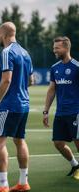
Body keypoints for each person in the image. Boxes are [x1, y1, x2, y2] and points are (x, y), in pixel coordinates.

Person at [0, 22, 34, 192]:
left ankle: (3, 184)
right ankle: (23, 182)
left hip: (9, 105)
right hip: (24, 104)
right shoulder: (25, 52)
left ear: (4, 34)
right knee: (19, 140)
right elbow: (31, 80)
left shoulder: (7, 52)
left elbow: (6, 79)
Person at [43, 36, 79, 180]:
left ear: (66, 48)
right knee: (58, 142)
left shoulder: (77, 66)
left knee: (78, 143)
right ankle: (75, 165)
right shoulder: (55, 68)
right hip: (60, 113)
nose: (54, 50)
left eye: (57, 48)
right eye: (54, 48)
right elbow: (52, 89)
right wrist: (46, 111)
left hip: (75, 112)